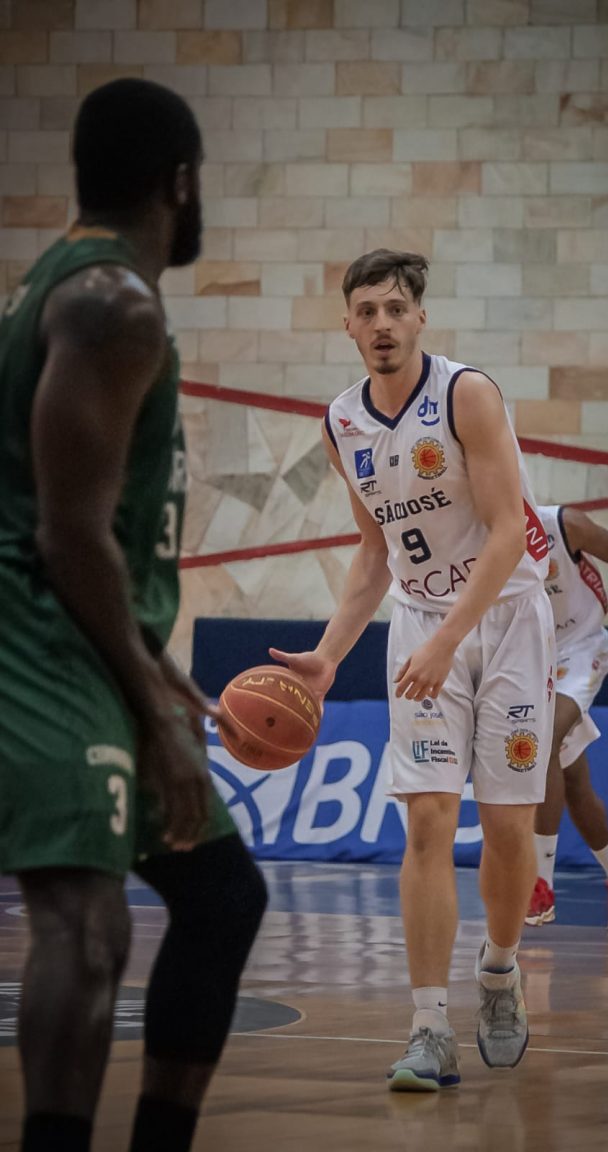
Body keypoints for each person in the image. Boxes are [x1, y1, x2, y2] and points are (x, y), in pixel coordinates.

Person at [0, 79, 267, 1152]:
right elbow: (68, 533)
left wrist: (155, 672)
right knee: (84, 925)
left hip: (88, 643)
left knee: (222, 897)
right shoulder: (115, 305)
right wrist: (155, 713)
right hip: (40, 642)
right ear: (181, 182)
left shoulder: (65, 285)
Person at [270, 249, 556, 1091]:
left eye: (396, 308)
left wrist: (448, 640)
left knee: (508, 830)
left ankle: (498, 970)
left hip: (508, 621)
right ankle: (429, 1028)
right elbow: (373, 553)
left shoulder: (468, 395)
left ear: (420, 318)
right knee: (427, 824)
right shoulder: (342, 424)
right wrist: (329, 655)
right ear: (348, 326)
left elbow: (506, 533)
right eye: (367, 311)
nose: (382, 324)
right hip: (422, 621)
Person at [525, 504, 608, 933]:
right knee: (574, 782)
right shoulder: (481, 536)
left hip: (581, 650)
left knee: (543, 739)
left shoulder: (563, 525)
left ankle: (540, 882)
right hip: (533, 656)